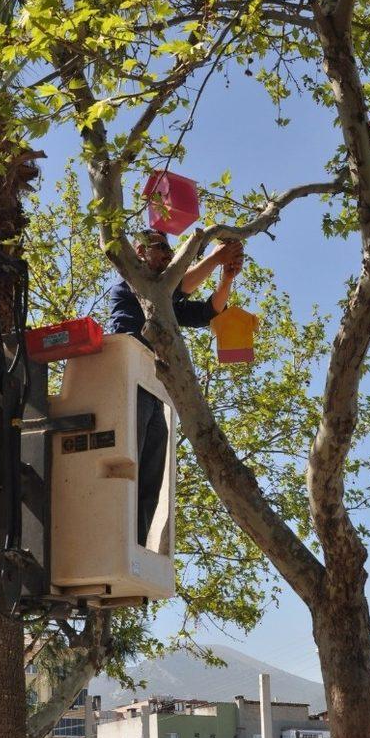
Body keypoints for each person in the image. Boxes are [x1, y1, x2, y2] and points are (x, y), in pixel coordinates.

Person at [109, 230, 243, 546]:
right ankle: (116, 538)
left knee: (151, 474)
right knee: (129, 463)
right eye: (163, 250)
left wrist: (226, 277)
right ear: (139, 251)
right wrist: (214, 257)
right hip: (129, 379)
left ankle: (135, 545)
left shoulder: (164, 301)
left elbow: (209, 310)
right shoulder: (132, 286)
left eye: (173, 253)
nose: (170, 258)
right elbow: (177, 286)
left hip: (154, 389)